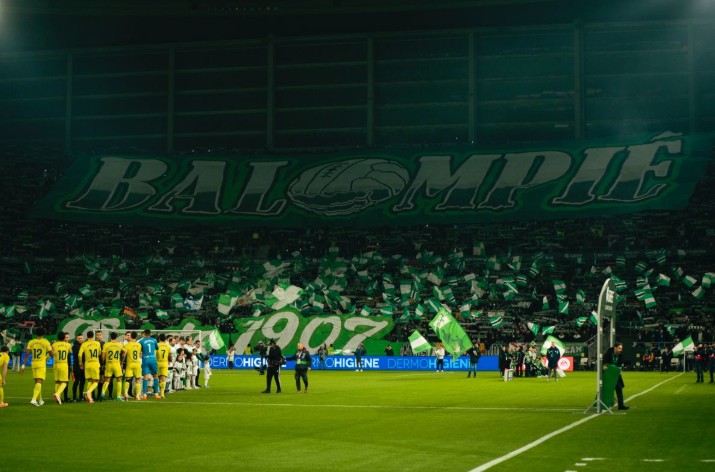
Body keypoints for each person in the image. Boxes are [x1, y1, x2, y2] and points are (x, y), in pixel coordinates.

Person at [22, 326, 54, 406]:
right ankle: (33, 399)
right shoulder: (46, 342)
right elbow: (51, 354)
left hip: (34, 363)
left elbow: (27, 354)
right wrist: (52, 349)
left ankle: (40, 400)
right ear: (44, 333)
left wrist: (23, 366)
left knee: (37, 382)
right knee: (39, 381)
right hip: (41, 364)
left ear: (36, 333)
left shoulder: (31, 342)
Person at [603, 342, 629, 410]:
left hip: (616, 375)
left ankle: (621, 405)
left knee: (619, 388)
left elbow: (621, 364)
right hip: (608, 375)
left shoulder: (621, 355)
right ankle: (604, 404)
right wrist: (604, 365)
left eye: (621, 348)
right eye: (619, 348)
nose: (621, 350)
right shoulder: (608, 354)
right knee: (607, 390)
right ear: (615, 348)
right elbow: (604, 362)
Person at [78, 330, 102, 404]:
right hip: (95, 363)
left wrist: (80, 363)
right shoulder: (97, 343)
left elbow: (79, 355)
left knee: (89, 380)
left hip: (87, 364)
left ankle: (89, 398)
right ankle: (88, 392)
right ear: (93, 336)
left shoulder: (84, 344)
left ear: (87, 336)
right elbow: (99, 353)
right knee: (96, 381)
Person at [101, 332, 125, 401]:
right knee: (119, 379)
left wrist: (103, 364)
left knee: (107, 380)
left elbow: (103, 356)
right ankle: (118, 397)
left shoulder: (106, 344)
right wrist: (121, 361)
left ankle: (102, 393)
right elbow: (124, 352)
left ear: (110, 337)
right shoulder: (119, 345)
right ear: (116, 337)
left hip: (108, 364)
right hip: (116, 364)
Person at [51, 332, 72, 404]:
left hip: (56, 364)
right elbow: (70, 354)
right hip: (63, 364)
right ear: (64, 338)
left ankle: (58, 398)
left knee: (57, 382)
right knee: (65, 382)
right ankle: (57, 394)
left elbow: (51, 354)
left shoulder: (54, 345)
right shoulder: (68, 345)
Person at [138, 329, 159, 399]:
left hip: (145, 360)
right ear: (150, 333)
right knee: (155, 376)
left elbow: (139, 350)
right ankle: (156, 394)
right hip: (152, 359)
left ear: (144, 333)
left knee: (145, 377)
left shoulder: (141, 341)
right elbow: (157, 348)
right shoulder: (154, 340)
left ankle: (144, 394)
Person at [124, 331, 143, 401]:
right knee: (138, 380)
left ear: (131, 336)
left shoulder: (127, 345)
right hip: (137, 364)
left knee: (128, 379)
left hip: (130, 364)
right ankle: (137, 396)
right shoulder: (139, 345)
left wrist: (122, 362)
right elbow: (140, 354)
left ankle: (126, 393)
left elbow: (124, 354)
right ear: (136, 336)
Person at [156, 334, 172, 398]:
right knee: (163, 378)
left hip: (157, 363)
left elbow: (154, 354)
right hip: (165, 363)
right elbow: (169, 355)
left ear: (159, 339)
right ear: (165, 339)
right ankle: (162, 393)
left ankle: (157, 392)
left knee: (157, 377)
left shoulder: (156, 345)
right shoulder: (168, 346)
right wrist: (170, 361)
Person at [71, 334, 85, 402]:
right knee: (76, 382)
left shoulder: (84, 345)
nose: (80, 340)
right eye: (79, 338)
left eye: (81, 338)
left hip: (83, 366)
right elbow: (79, 354)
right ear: (76, 339)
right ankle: (74, 397)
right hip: (77, 366)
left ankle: (81, 397)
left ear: (83, 338)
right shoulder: (74, 346)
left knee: (82, 382)